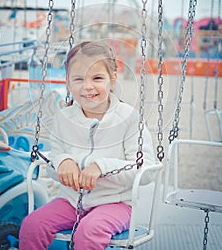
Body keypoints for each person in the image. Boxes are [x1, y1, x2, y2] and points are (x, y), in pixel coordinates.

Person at [19, 40, 155, 250]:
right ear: (68, 82)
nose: (87, 86)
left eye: (97, 78)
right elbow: (53, 159)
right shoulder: (63, 118)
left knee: (89, 230)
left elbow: (145, 169)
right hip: (71, 201)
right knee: (32, 225)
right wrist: (63, 163)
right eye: (79, 79)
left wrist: (101, 167)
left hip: (116, 203)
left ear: (112, 79)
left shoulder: (129, 119)